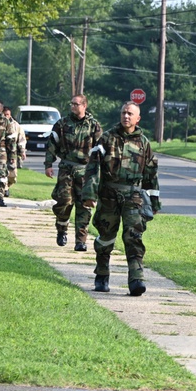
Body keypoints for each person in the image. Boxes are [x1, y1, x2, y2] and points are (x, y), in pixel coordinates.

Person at [83, 102, 160, 296]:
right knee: (106, 238)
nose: (126, 116)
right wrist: (89, 194)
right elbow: (93, 168)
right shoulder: (106, 139)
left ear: (137, 119)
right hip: (108, 194)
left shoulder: (144, 143)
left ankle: (136, 279)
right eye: (124, 113)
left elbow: (151, 174)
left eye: (130, 114)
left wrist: (155, 202)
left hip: (133, 196)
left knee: (134, 236)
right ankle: (102, 275)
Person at [44, 94, 103, 252]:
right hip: (67, 169)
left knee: (84, 206)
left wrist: (101, 170)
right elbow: (51, 144)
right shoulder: (62, 124)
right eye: (72, 104)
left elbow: (101, 149)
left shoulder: (94, 125)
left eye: (76, 104)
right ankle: (61, 229)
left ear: (84, 106)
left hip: (86, 171)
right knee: (64, 202)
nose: (73, 106)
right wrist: (48, 164)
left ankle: (81, 240)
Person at [2, 107, 26, 197]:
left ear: (10, 115)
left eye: (7, 114)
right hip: (1, 152)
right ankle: (4, 189)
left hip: (12, 153)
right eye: (4, 115)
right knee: (1, 172)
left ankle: (8, 185)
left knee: (12, 175)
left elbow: (21, 139)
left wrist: (22, 151)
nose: (6, 116)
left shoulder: (16, 126)